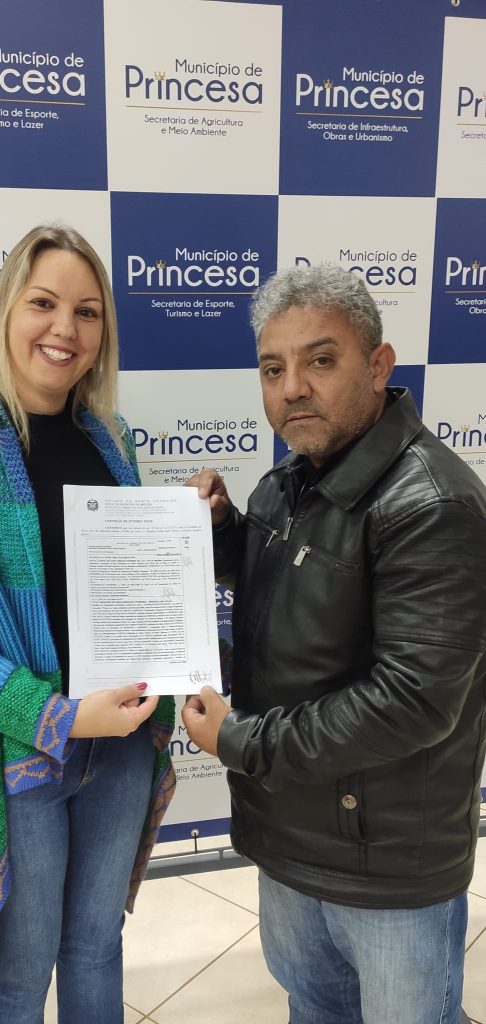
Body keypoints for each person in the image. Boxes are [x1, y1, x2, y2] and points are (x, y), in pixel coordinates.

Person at [183, 264, 486, 1024]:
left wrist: (243, 741)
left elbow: (412, 701)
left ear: (378, 366)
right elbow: (295, 589)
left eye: (321, 360)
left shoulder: (432, 503)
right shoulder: (286, 483)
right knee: (315, 1009)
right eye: (272, 368)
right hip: (289, 834)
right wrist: (221, 535)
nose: (293, 388)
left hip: (385, 867)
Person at [0, 224, 176, 1024]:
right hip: (15, 756)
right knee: (19, 976)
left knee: (96, 948)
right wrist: (57, 718)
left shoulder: (112, 441)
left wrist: (186, 541)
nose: (65, 329)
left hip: (120, 745)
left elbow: (129, 588)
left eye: (87, 312)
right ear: (6, 311)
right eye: (44, 304)